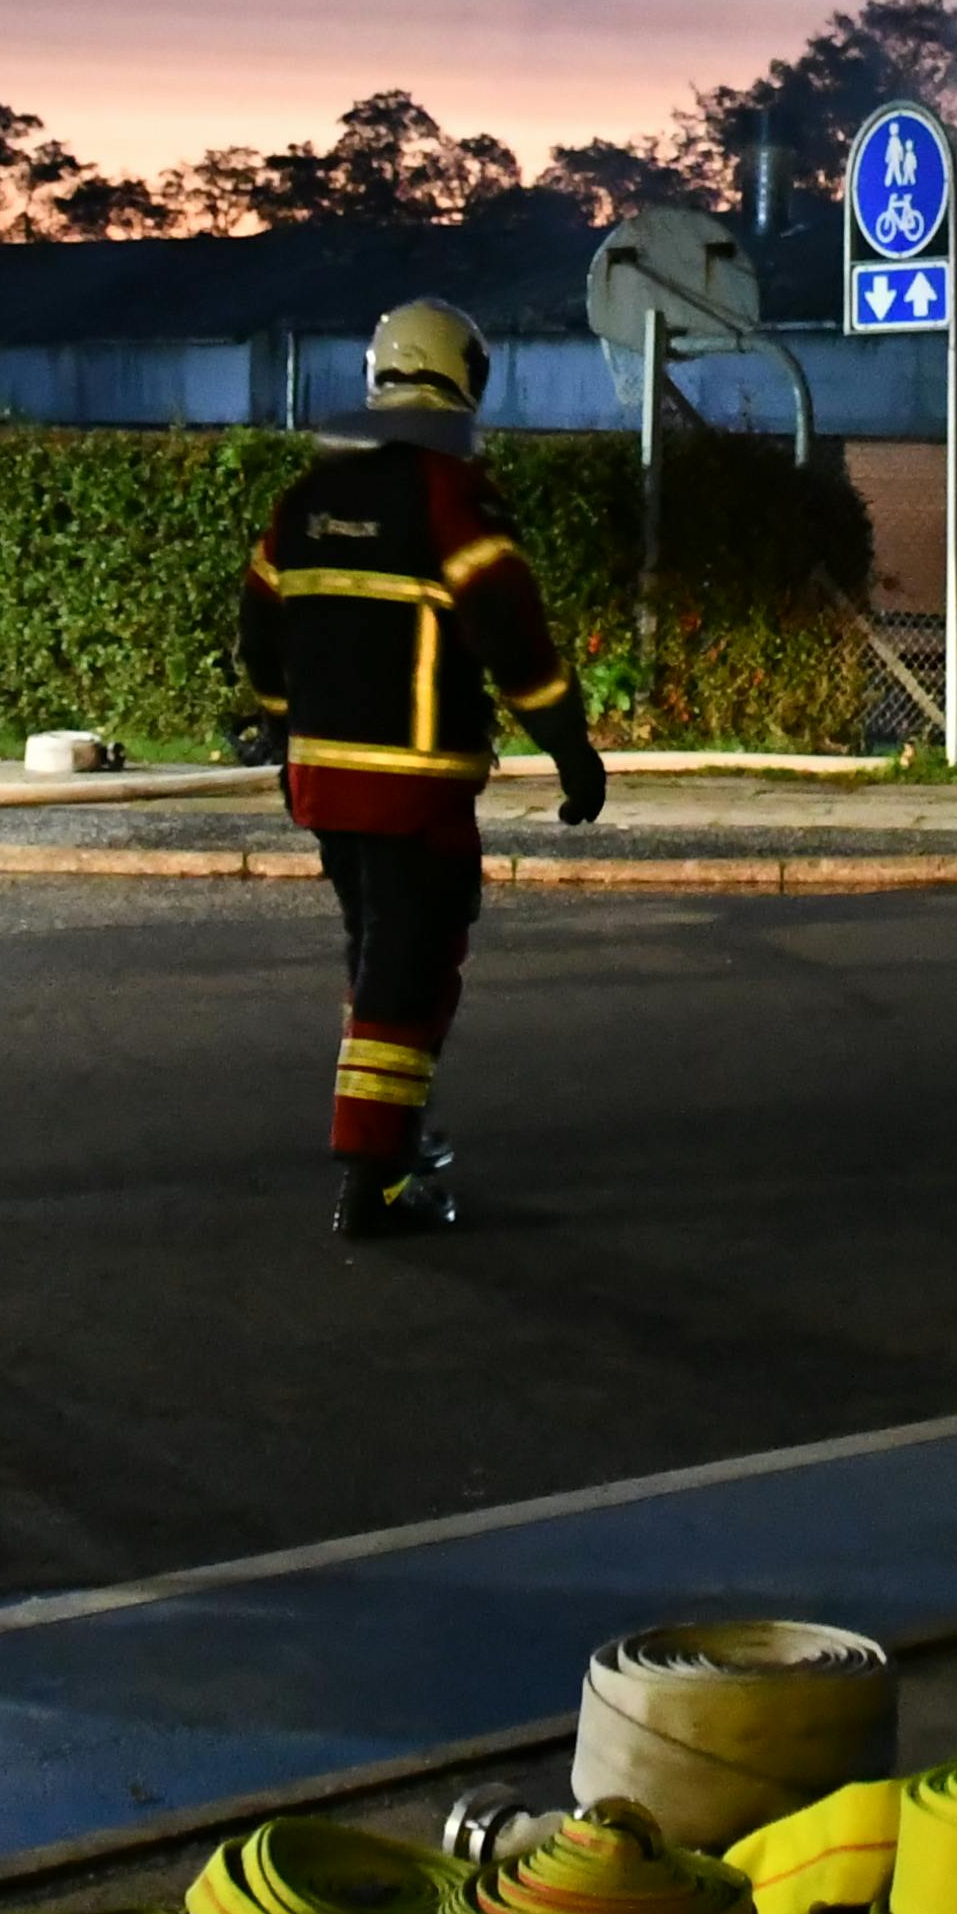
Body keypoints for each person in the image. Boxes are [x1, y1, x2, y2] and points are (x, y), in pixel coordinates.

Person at [231, 300, 605, 1241]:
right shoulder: (448, 496)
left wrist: (288, 746)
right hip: (417, 788)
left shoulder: (305, 501)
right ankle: (377, 1177)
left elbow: (260, 646)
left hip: (326, 787)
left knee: (376, 963)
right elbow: (513, 639)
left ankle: (392, 1140)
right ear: (462, 377)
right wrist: (571, 749)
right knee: (410, 975)